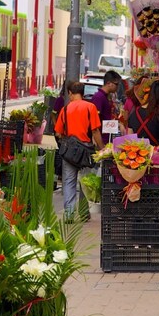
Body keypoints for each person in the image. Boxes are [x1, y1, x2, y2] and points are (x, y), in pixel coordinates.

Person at [54, 81, 103, 219]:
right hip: (86, 152)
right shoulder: (90, 107)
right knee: (85, 181)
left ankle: (69, 214)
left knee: (69, 181)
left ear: (70, 93)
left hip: (70, 152)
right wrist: (102, 149)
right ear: (82, 92)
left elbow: (58, 132)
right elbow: (95, 131)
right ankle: (83, 212)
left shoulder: (65, 109)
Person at [90, 70, 122, 144]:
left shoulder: (107, 97)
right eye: (116, 84)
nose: (118, 87)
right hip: (100, 139)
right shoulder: (98, 97)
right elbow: (95, 125)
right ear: (108, 83)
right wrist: (101, 146)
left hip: (107, 137)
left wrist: (117, 124)